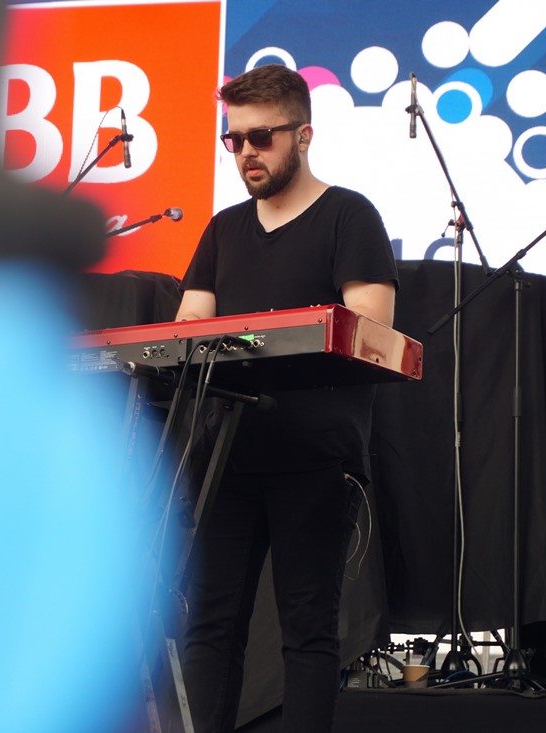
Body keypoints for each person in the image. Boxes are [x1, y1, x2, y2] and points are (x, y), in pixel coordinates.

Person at [176, 64, 399, 733]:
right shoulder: (222, 230)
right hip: (229, 455)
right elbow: (188, 329)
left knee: (308, 629)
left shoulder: (349, 216)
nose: (245, 152)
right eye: (234, 139)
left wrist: (273, 336)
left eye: (261, 137)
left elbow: (372, 331)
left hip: (314, 455)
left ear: (303, 135)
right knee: (210, 624)